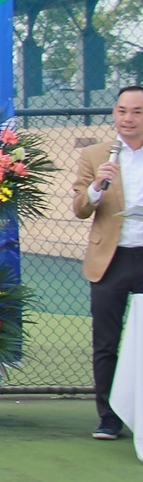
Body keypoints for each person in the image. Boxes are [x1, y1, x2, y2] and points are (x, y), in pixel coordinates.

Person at [71, 85, 143, 441]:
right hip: (110, 260)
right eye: (122, 111)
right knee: (106, 343)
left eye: (137, 112)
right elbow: (80, 208)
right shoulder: (96, 155)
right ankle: (109, 417)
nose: (128, 119)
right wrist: (98, 185)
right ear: (114, 113)